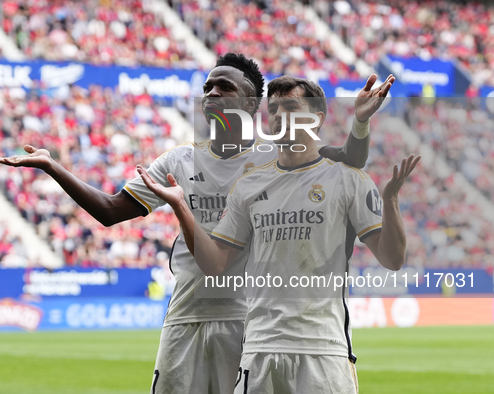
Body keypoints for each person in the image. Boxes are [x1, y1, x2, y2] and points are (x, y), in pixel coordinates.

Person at [0, 54, 395, 393]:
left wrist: (360, 123)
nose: (212, 94)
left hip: (249, 321)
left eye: (225, 87)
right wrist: (52, 166)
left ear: (253, 104)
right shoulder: (178, 161)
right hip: (186, 315)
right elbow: (111, 210)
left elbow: (348, 160)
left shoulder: (280, 155)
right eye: (207, 88)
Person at [136, 75, 419, 394]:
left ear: (316, 118)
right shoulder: (247, 187)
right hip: (258, 352)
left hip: (323, 351)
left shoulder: (348, 181)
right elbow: (215, 265)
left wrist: (390, 201)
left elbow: (393, 259)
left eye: (290, 107)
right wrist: (181, 208)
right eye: (273, 109)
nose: (279, 115)